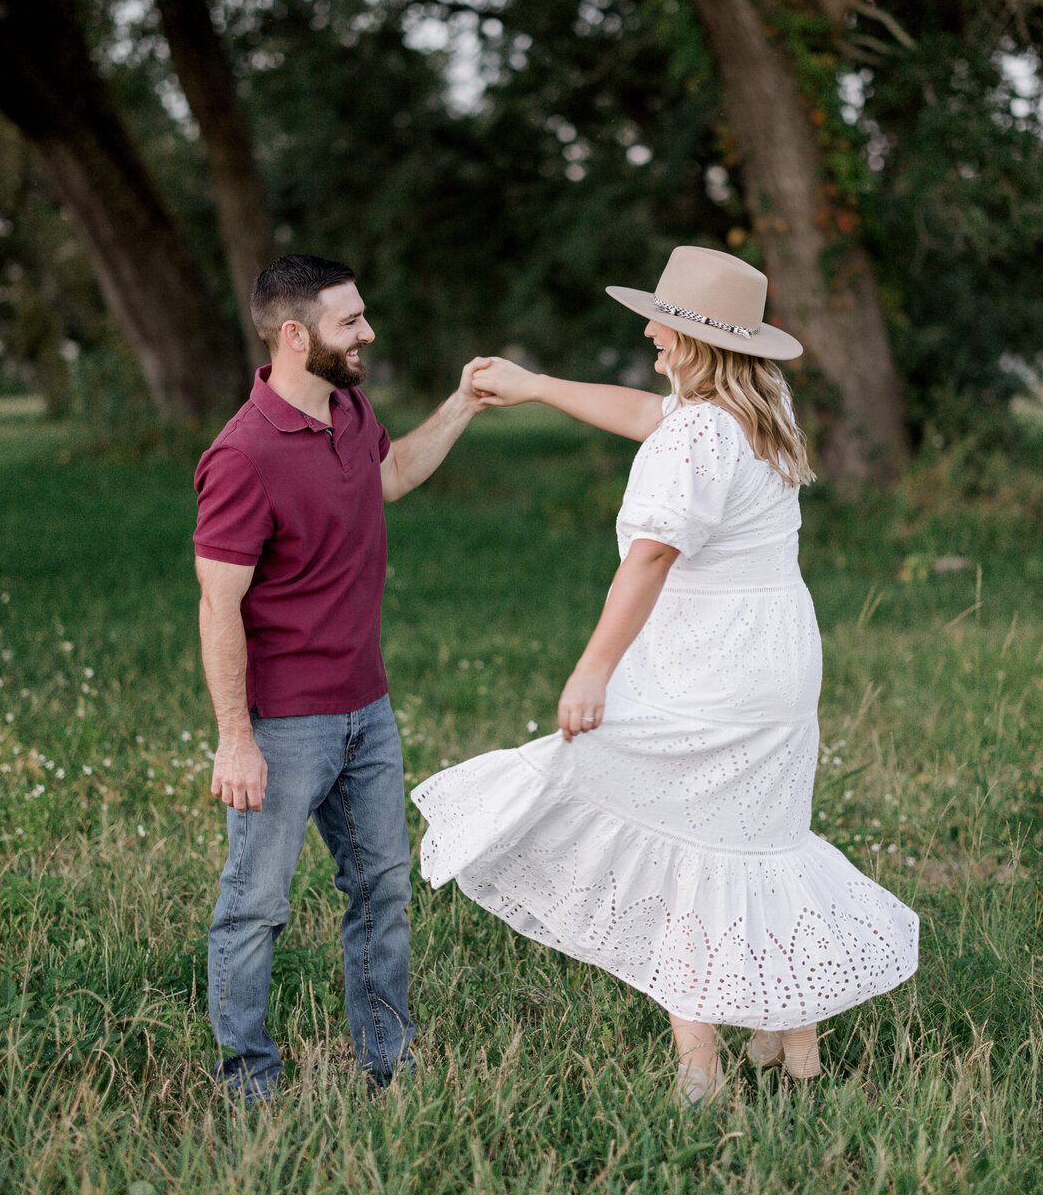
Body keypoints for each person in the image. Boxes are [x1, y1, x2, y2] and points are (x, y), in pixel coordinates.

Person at [413, 246, 919, 1104]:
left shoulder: (697, 433)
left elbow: (650, 556)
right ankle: (794, 1049)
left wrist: (591, 669)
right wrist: (539, 385)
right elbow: (647, 411)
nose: (649, 329)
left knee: (679, 843)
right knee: (760, 839)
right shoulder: (759, 407)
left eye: (664, 320)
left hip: (709, 663)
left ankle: (700, 1069)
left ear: (697, 340)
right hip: (777, 661)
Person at [194, 254, 487, 1102]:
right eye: (350, 320)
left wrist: (463, 403)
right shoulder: (242, 456)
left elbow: (389, 477)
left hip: (368, 708)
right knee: (255, 907)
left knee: (383, 891)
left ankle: (387, 1062)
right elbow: (218, 606)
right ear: (295, 335)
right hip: (284, 724)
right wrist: (235, 740)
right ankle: (248, 1082)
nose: (368, 332)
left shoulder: (349, 410)